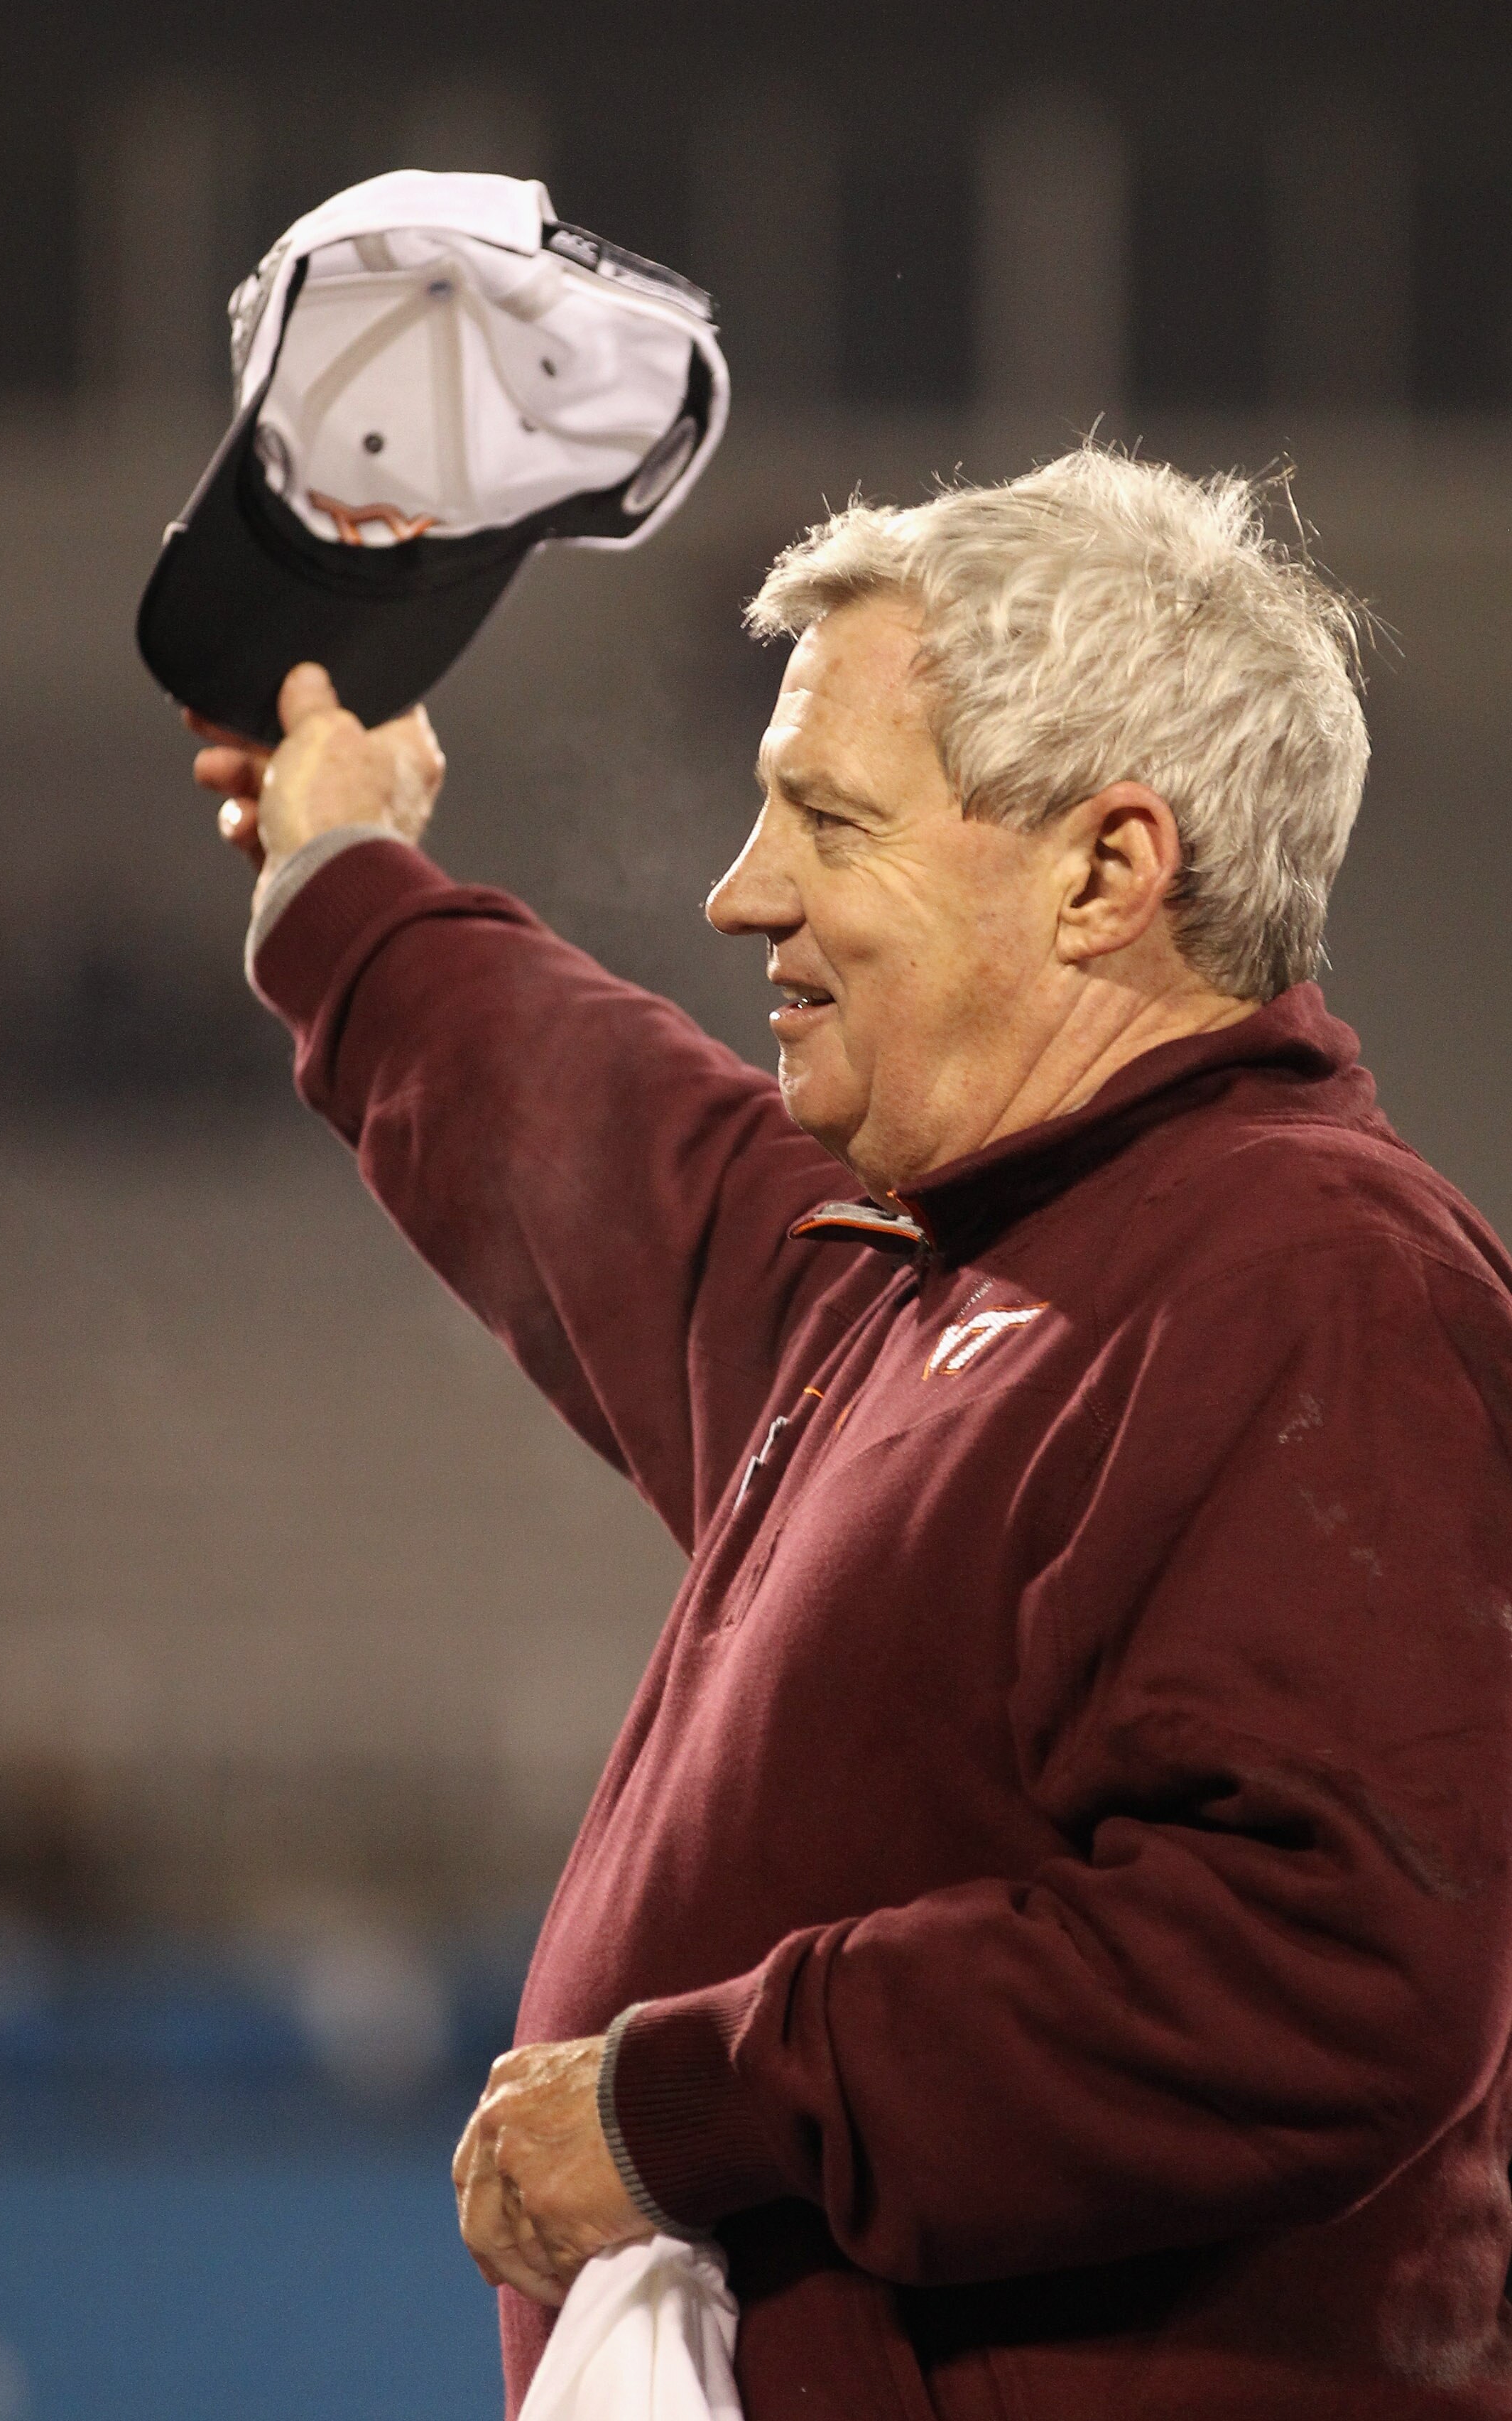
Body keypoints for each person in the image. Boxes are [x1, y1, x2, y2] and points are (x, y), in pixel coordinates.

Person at [190, 448, 1512, 2420]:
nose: (746, 893)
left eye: (826, 819)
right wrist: (343, 876)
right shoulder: (931, 1273)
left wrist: (682, 2103)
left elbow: (1322, 1961)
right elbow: (596, 1147)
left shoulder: (1312, 1278)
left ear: (1106, 870)